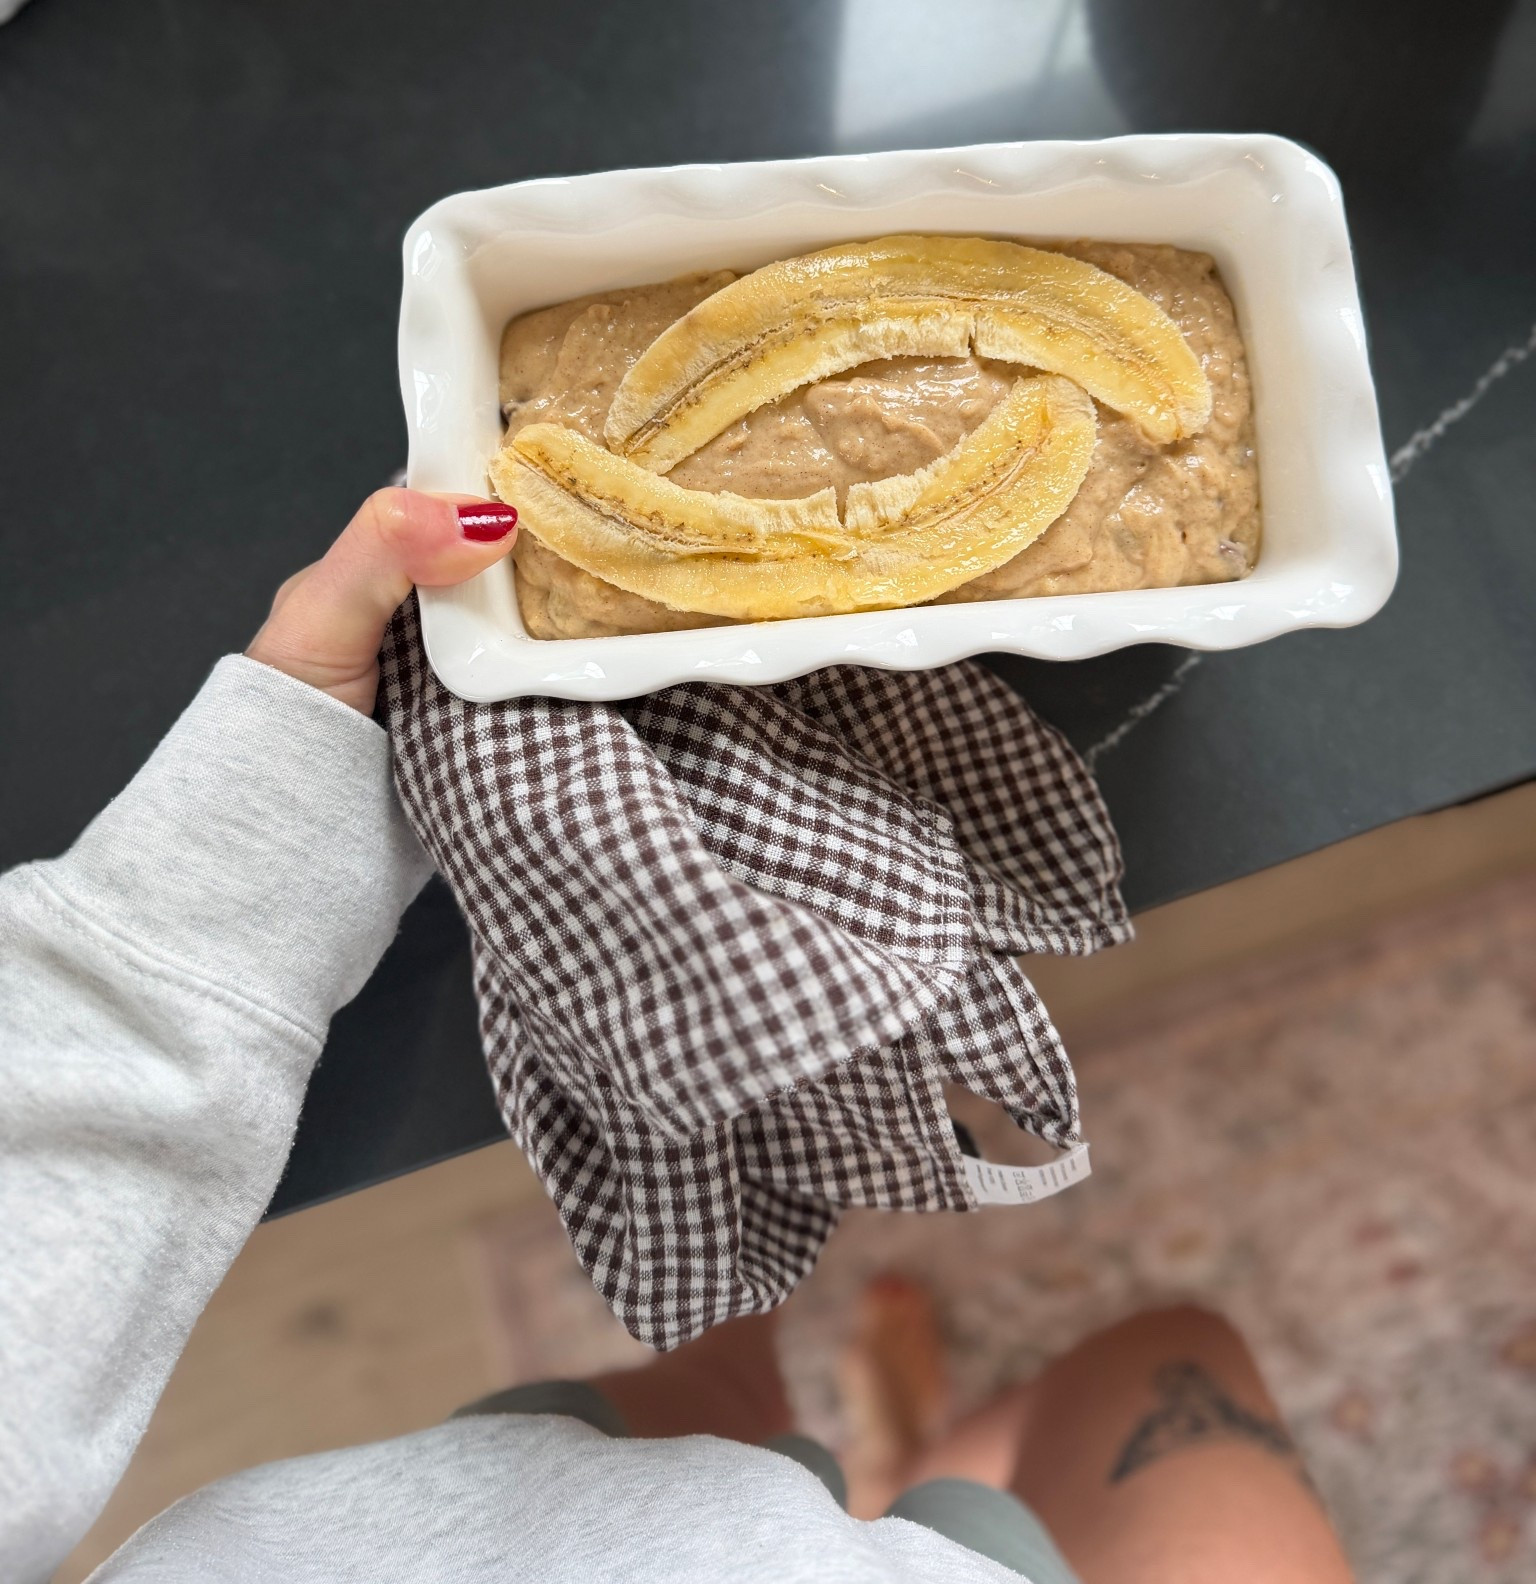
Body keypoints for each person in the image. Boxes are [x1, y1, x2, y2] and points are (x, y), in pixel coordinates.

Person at [0, 491, 1358, 1584]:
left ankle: (839, 1451)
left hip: (515, 1536)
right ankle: (885, 1471)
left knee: (716, 1369)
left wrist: (212, 876)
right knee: (1170, 1365)